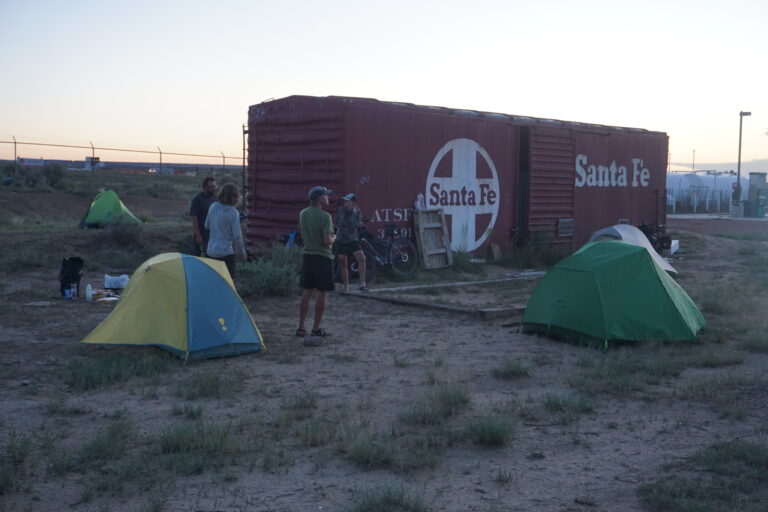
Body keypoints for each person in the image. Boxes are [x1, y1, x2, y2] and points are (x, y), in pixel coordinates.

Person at [296, 186, 335, 338]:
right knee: (321, 293)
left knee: (306, 292)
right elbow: (326, 241)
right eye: (325, 195)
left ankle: (300, 327)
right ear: (319, 199)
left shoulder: (303, 213)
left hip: (308, 256)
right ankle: (316, 328)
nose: (328, 197)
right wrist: (334, 238)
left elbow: (301, 230)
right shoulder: (326, 217)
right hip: (322, 257)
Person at [205, 183, 246, 280]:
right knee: (228, 283)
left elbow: (206, 226)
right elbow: (237, 236)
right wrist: (242, 253)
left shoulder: (213, 206)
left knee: (213, 282)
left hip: (211, 252)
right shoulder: (233, 213)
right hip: (225, 253)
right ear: (235, 197)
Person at [336, 193, 367, 292]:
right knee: (343, 264)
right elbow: (339, 222)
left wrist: (359, 224)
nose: (345, 202)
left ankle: (362, 284)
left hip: (353, 240)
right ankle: (346, 287)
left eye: (347, 201)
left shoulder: (357, 212)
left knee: (362, 259)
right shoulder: (341, 210)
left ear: (353, 202)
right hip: (341, 240)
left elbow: (355, 224)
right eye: (344, 200)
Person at [189, 177, 217, 256]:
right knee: (201, 257)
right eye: (211, 186)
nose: (214, 188)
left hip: (213, 234)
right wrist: (198, 235)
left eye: (215, 186)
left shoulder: (215, 198)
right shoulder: (197, 199)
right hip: (202, 234)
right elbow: (194, 218)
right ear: (205, 187)